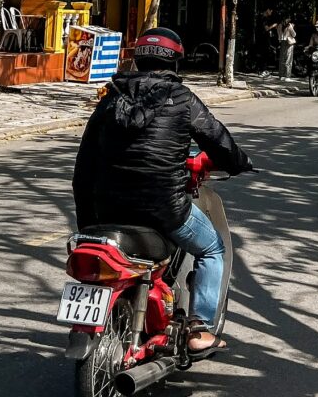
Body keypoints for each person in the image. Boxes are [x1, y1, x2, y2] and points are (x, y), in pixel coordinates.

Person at [72, 27, 251, 359]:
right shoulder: (182, 99)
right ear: (175, 62)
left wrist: (87, 221)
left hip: (107, 208)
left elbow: (84, 167)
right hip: (165, 207)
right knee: (212, 249)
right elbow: (218, 140)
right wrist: (240, 163)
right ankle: (199, 330)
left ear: (138, 60)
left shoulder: (111, 98)